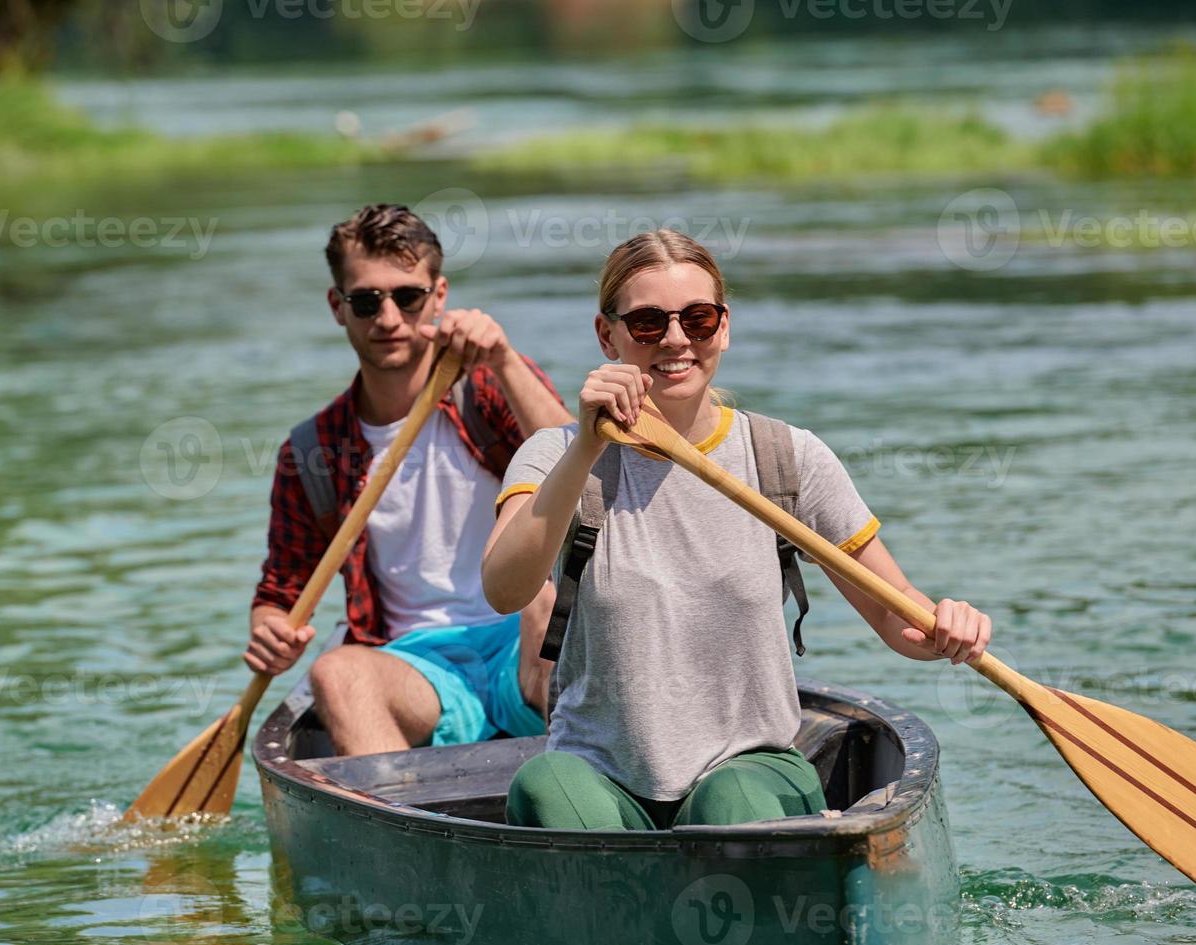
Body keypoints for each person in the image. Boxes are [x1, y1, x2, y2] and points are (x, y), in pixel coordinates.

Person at [481, 230, 992, 830]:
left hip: (752, 769)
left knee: (729, 806)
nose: (676, 340)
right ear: (607, 335)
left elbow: (894, 615)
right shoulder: (556, 455)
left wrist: (946, 627)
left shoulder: (786, 457)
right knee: (546, 787)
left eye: (697, 319)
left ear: (723, 327)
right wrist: (588, 447)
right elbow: (504, 590)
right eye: (648, 323)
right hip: (599, 774)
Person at [246, 204, 572, 756]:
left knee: (547, 603)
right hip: (412, 664)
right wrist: (269, 627)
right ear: (338, 307)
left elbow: (582, 468)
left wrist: (506, 362)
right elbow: (281, 591)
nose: (389, 318)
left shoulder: (490, 387)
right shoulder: (311, 450)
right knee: (336, 674)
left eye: (408, 297)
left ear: (438, 296)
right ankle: (400, 819)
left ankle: (579, 783)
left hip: (520, 644)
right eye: (367, 301)